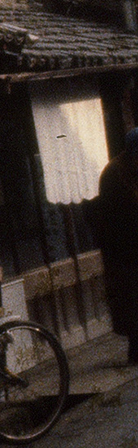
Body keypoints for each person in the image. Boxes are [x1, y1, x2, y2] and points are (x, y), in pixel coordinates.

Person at [89, 127, 138, 366]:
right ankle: (135, 348)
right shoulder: (115, 173)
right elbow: (119, 215)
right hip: (122, 250)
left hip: (130, 247)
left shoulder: (128, 169)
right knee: (130, 299)